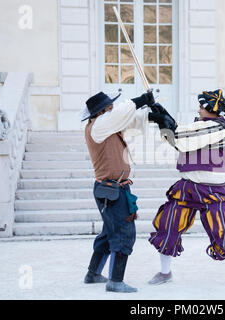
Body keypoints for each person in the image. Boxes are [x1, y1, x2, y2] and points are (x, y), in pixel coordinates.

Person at [146, 89, 225, 288]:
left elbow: (182, 140)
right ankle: (165, 272)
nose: (199, 109)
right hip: (187, 187)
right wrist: (163, 118)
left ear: (212, 108)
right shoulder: (199, 125)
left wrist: (164, 120)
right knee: (168, 226)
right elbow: (175, 140)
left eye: (202, 106)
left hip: (212, 190)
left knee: (222, 231)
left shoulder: (219, 127)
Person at [81, 90, 154, 293]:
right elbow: (120, 114)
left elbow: (129, 121)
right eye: (109, 107)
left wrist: (150, 111)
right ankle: (115, 281)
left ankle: (93, 273)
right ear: (101, 111)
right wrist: (139, 100)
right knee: (123, 232)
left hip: (115, 188)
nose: (112, 108)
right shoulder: (97, 127)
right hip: (110, 189)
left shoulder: (106, 126)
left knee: (109, 232)